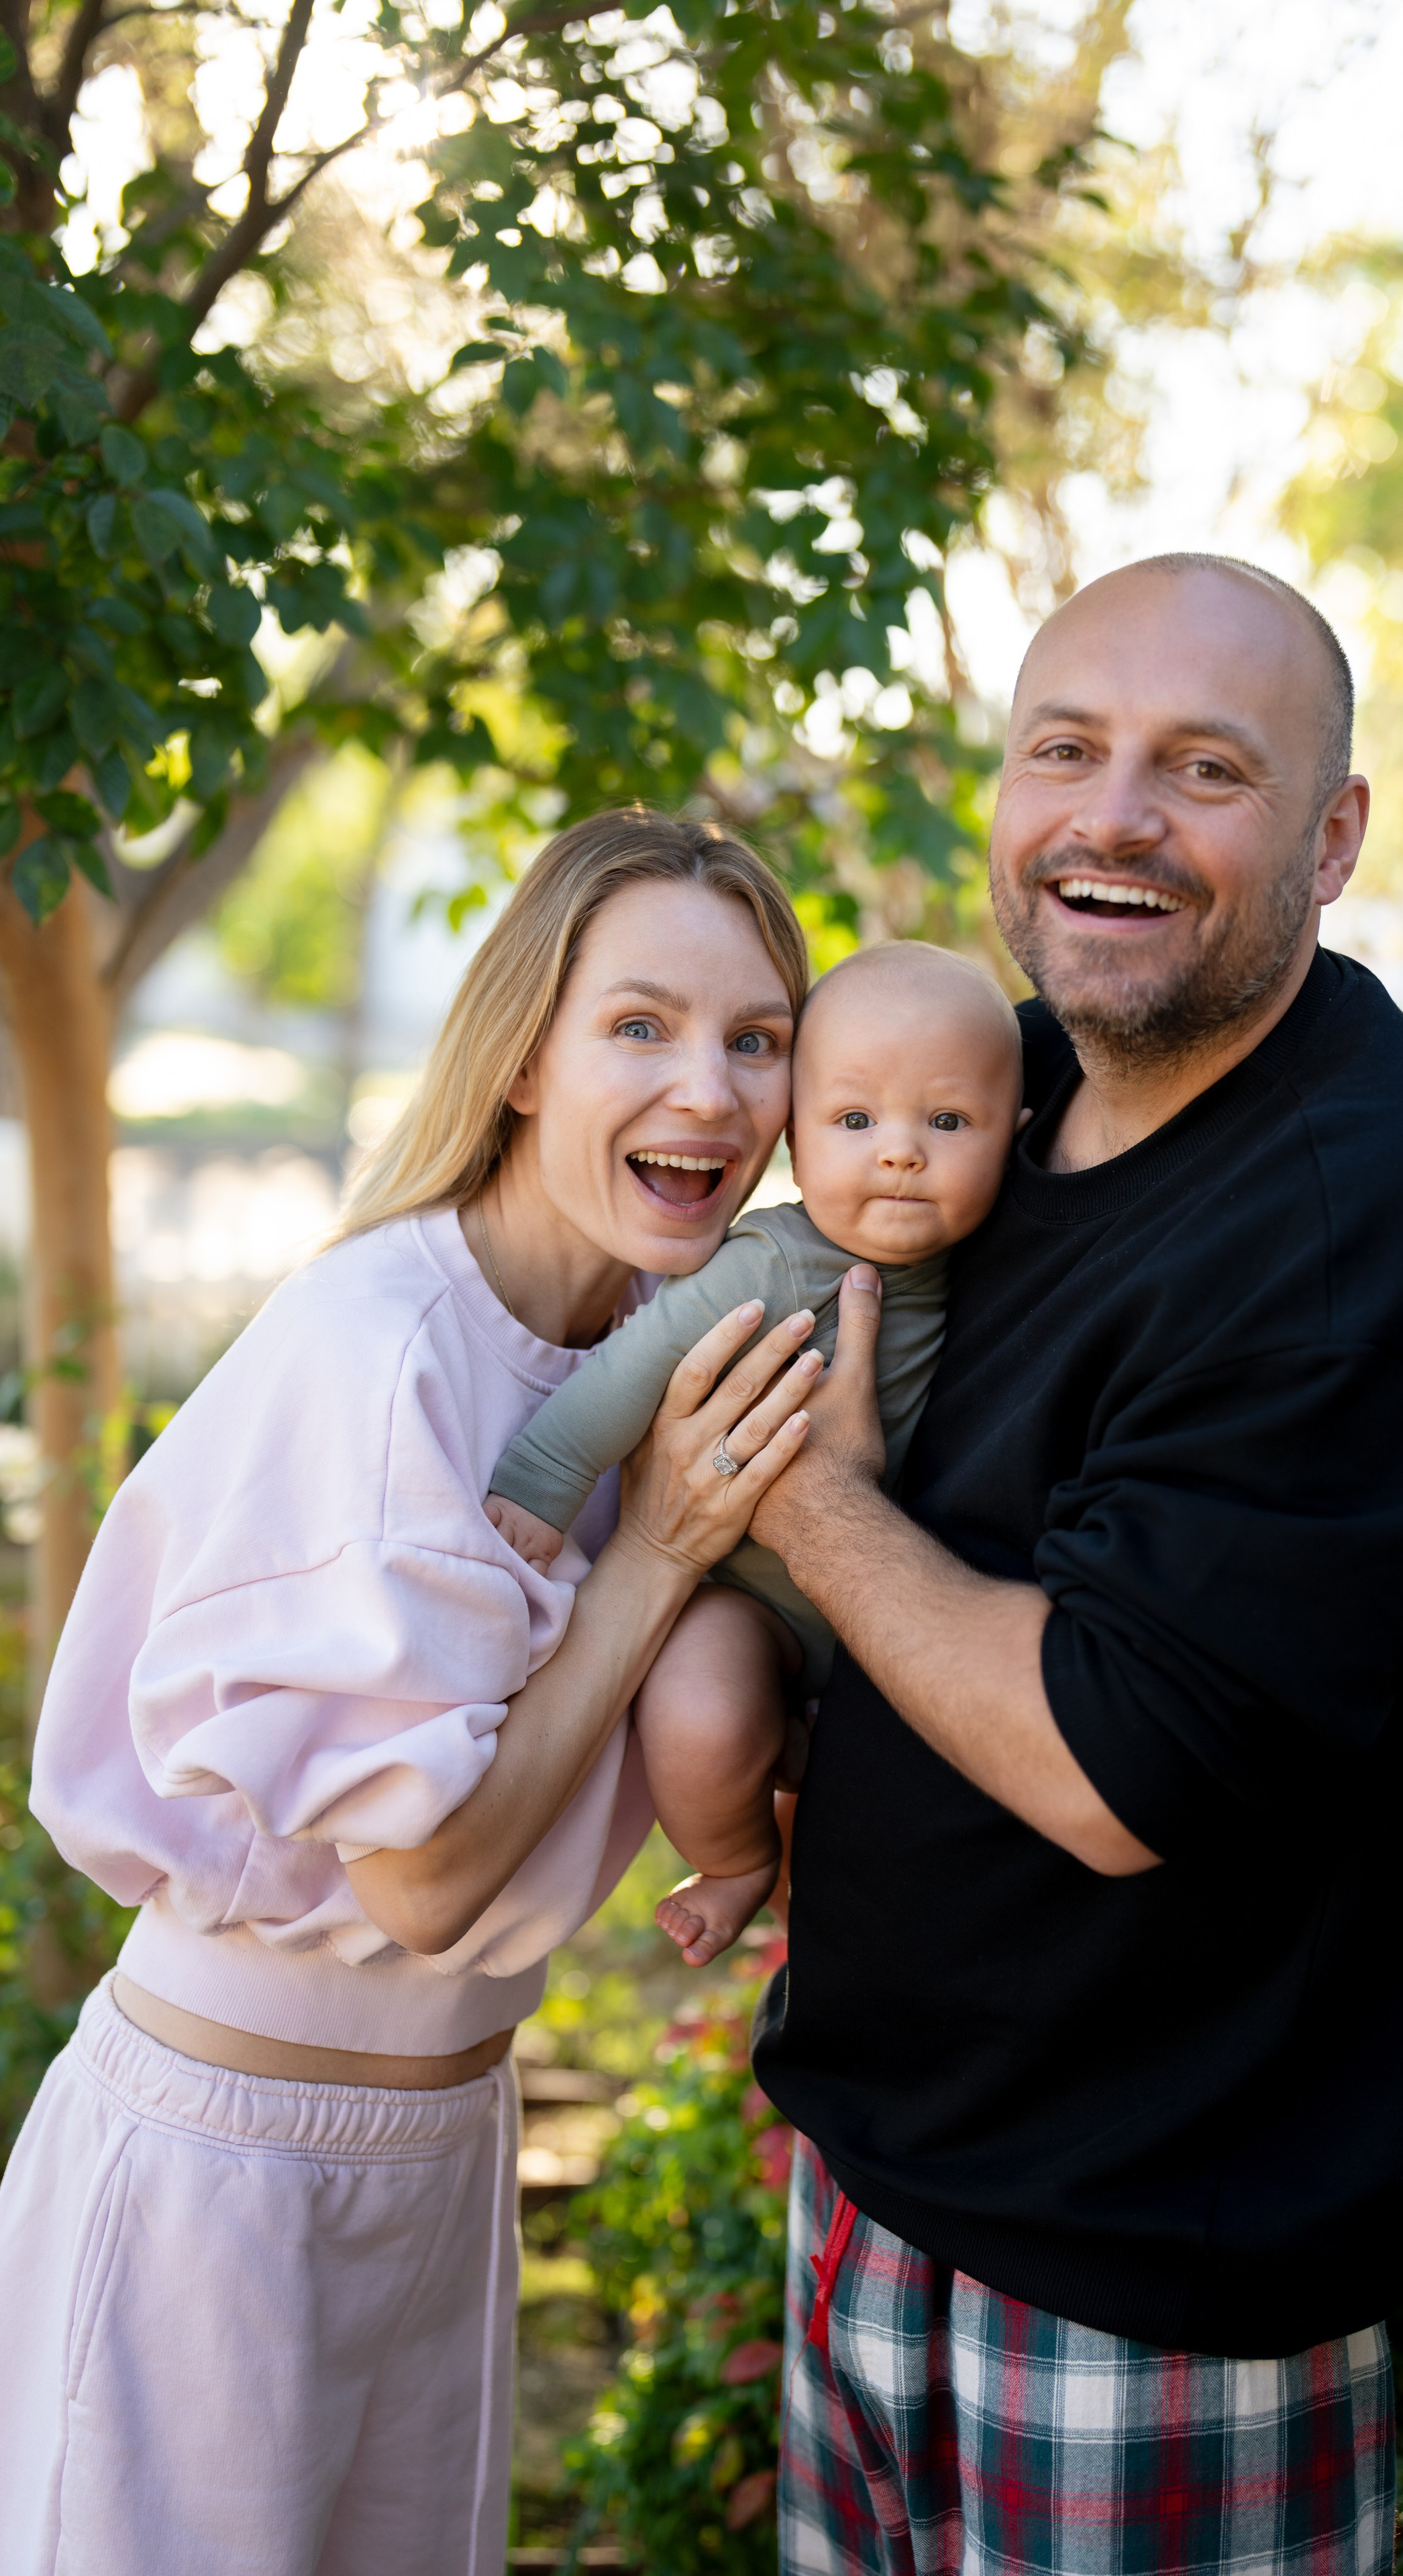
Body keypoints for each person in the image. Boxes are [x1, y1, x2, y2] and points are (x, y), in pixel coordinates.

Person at [746, 555, 1403, 2575]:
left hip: (1145, 2288)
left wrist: (788, 1491)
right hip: (877, 2191)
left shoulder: (1371, 1210)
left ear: (1333, 833)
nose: (1114, 815)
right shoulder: (996, 1106)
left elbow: (1123, 1766)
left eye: (1204, 768)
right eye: (1068, 751)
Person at [0, 810, 829, 2576]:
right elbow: (432, 1881)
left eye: (756, 1037)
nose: (708, 1088)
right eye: (640, 1025)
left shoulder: (637, 1354)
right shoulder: (383, 1355)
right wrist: (658, 1551)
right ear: (524, 1052)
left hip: (442, 2151)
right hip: (221, 2185)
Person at [483, 942, 1026, 1968]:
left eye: (947, 1122)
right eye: (856, 1122)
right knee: (694, 1703)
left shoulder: (1003, 1263)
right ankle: (735, 1861)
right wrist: (545, 1480)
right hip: (759, 1601)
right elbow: (641, 1362)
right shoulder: (778, 1260)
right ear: (795, 1140)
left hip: (914, 1608)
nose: (900, 1153)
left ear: (1019, 1138)